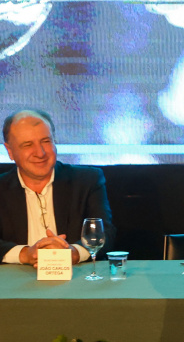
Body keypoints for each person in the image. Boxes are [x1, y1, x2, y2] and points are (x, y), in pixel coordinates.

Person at [0, 109, 115, 266]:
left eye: (46, 141)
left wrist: (73, 253)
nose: (40, 153)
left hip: (76, 281)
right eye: (28, 145)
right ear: (10, 151)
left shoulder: (87, 180)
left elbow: (104, 233)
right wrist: (26, 254)